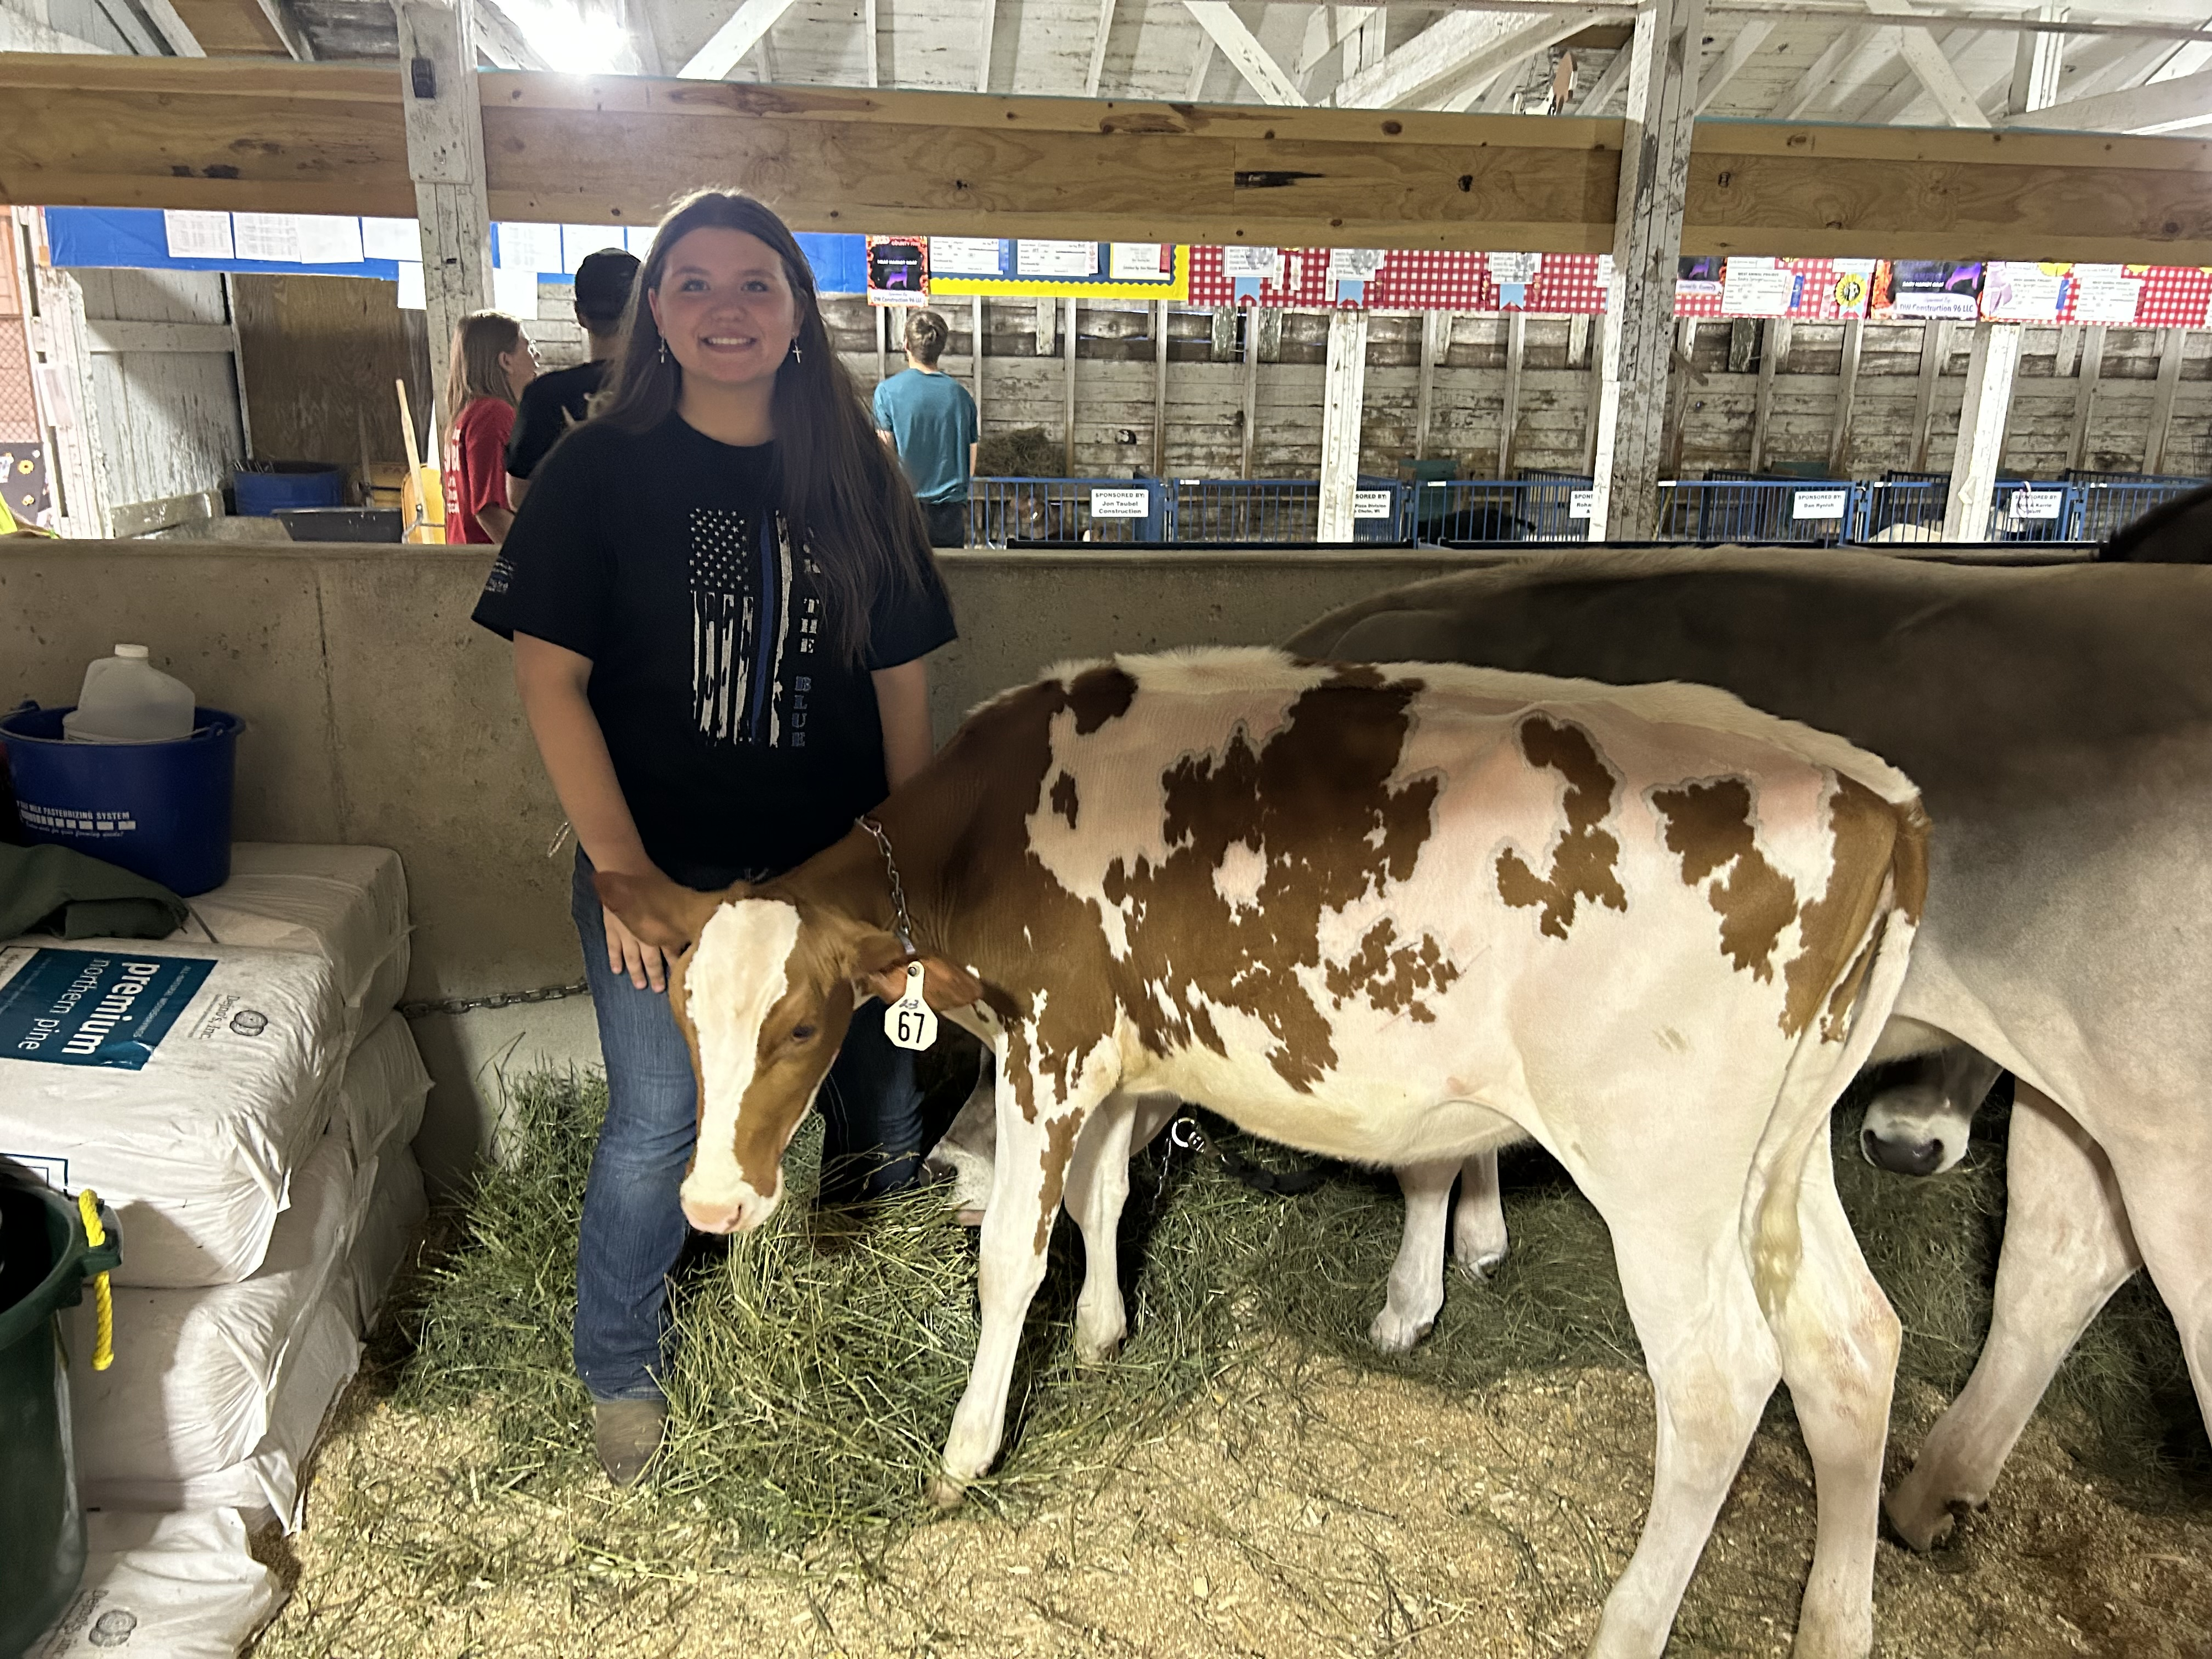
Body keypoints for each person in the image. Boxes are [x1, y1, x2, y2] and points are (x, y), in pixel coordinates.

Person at [470, 190, 958, 1490]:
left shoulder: (855, 467)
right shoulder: (596, 467)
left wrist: (907, 870)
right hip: (668, 876)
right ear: (656, 315)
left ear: (798, 310)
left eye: (757, 283)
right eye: (694, 284)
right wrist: (621, 871)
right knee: (659, 1114)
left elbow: (903, 679)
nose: (726, 309)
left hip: (834, 871)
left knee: (879, 1091)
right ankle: (620, 1367)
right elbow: (547, 678)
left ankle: (885, 1312)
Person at [505, 247, 641, 510]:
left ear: (579, 314)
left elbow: (519, 497)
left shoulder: (544, 395)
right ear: (642, 311)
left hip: (571, 546)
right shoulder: (671, 389)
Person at [872, 310, 979, 548]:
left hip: (905, 511)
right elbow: (970, 464)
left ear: (906, 344)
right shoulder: (962, 397)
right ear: (941, 347)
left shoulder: (887, 393)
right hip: (950, 515)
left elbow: (885, 455)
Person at [443, 311, 536, 544]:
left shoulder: (469, 413)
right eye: (529, 347)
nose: (537, 356)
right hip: (489, 565)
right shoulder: (493, 414)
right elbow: (490, 511)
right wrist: (538, 561)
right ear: (506, 361)